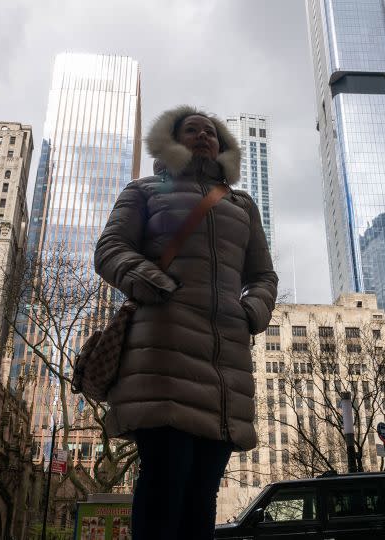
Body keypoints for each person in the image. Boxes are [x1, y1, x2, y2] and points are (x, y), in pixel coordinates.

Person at [94, 105, 278, 539]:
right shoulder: (144, 190)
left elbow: (263, 276)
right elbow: (110, 249)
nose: (202, 136)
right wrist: (151, 280)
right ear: (172, 141)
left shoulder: (241, 205)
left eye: (210, 132)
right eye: (191, 130)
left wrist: (253, 310)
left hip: (224, 367)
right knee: (165, 478)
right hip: (163, 353)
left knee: (202, 492)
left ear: (222, 146)